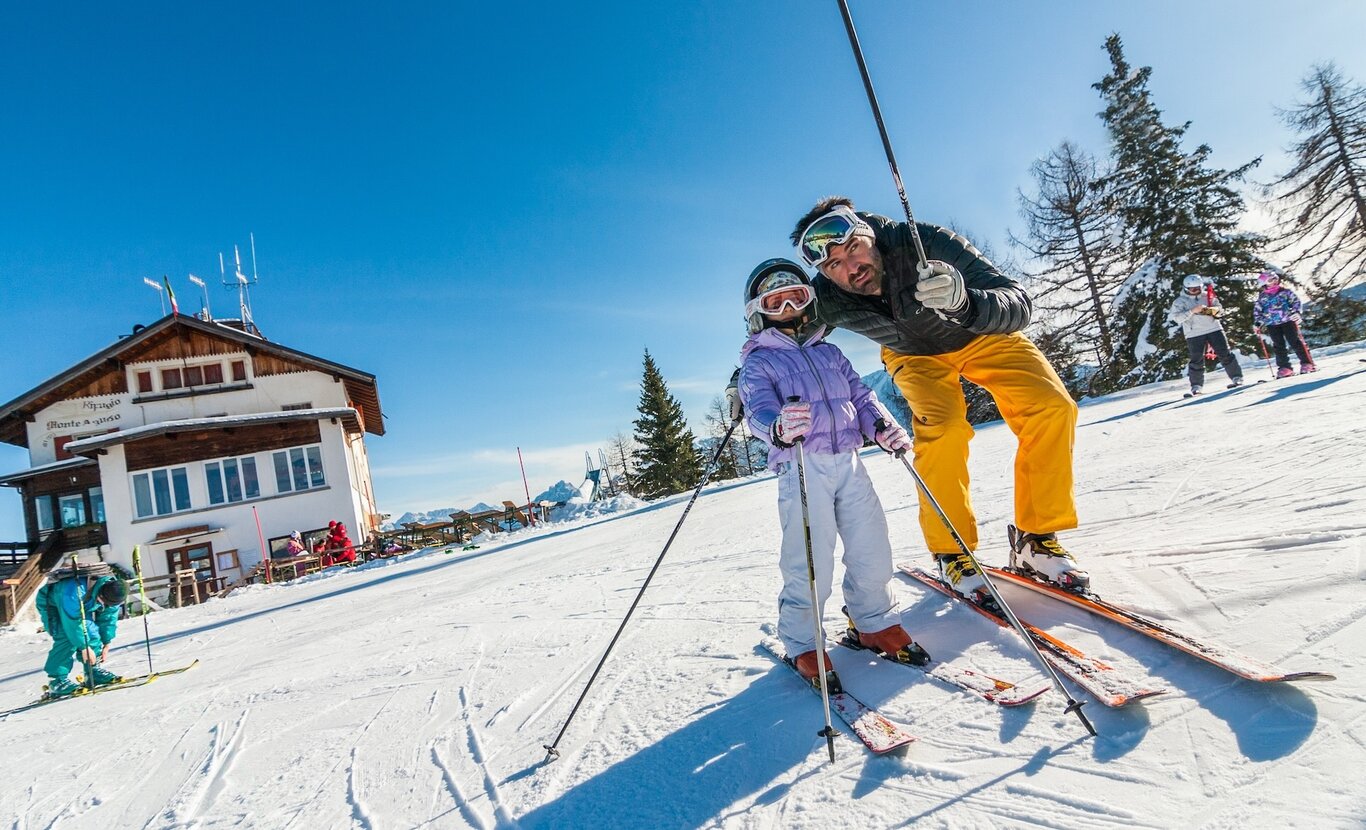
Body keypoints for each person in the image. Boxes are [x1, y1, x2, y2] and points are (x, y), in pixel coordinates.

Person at [789, 196, 1086, 599]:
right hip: (913, 354)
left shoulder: (925, 241)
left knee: (1052, 407)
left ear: (867, 234)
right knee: (942, 429)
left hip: (981, 334)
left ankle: (1035, 539)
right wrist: (745, 379)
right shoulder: (828, 296)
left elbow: (1017, 301)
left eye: (853, 249)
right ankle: (952, 552)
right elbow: (782, 335)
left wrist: (965, 302)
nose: (851, 267)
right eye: (833, 265)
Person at [738, 257, 929, 685]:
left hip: (849, 460)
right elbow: (758, 411)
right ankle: (805, 643)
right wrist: (778, 427)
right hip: (801, 467)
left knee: (872, 545)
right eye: (775, 300)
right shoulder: (759, 362)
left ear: (810, 302)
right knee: (809, 559)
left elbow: (861, 396)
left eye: (796, 296)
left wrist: (880, 425)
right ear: (758, 311)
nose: (788, 306)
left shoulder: (830, 351)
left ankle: (873, 619)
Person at [34, 569, 128, 698]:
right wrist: (84, 647)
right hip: (53, 604)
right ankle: (56, 681)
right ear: (101, 593)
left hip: (84, 604)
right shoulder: (73, 592)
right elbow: (72, 623)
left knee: (92, 633)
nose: (105, 605)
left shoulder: (114, 594)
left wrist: (107, 642)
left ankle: (92, 672)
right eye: (103, 601)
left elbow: (108, 618)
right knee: (66, 638)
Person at [1166, 274, 1245, 395]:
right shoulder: (1180, 302)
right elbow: (1177, 318)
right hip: (1194, 333)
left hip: (1214, 328)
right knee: (1196, 359)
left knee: (1225, 354)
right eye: (1193, 289)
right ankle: (1196, 385)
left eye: (1198, 288)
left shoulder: (1207, 296)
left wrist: (1206, 310)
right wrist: (1192, 311)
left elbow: (1219, 310)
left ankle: (1237, 377)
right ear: (1186, 289)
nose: (1196, 291)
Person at [1254, 272, 1316, 377]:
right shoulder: (1263, 297)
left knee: (1294, 341)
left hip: (1288, 321)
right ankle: (1284, 367)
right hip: (1272, 323)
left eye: (1274, 279)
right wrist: (1258, 321)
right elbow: (1258, 310)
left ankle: (1307, 363)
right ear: (1264, 284)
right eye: (1270, 280)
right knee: (1278, 345)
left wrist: (1296, 312)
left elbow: (1296, 302)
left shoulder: (1285, 292)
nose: (1273, 282)